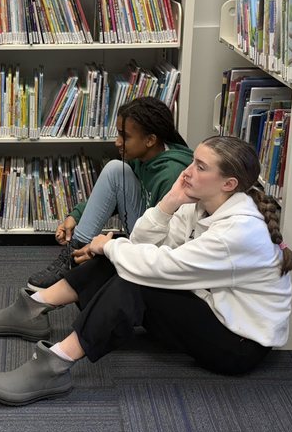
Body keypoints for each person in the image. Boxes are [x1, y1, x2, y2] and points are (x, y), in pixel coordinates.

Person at [0, 135, 292, 405]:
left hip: (237, 345)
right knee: (123, 254)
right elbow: (143, 244)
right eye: (192, 161)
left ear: (229, 183)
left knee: (134, 277)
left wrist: (109, 246)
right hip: (207, 309)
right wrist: (170, 202)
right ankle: (34, 308)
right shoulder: (200, 204)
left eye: (200, 167)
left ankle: (54, 365)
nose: (187, 172)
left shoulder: (239, 233)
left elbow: (160, 266)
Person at [25, 96, 192, 291]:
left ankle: (75, 259)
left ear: (150, 140)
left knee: (114, 168)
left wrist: (115, 250)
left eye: (125, 136)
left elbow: (166, 242)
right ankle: (74, 252)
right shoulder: (143, 157)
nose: (117, 142)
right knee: (115, 170)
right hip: (145, 226)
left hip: (157, 248)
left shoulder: (171, 174)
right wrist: (76, 216)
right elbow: (113, 190)